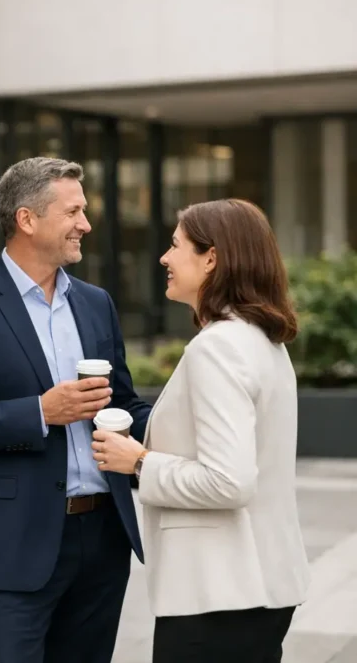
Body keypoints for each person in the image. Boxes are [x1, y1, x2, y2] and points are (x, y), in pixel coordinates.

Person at [0, 156, 152, 663]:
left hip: (103, 537)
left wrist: (188, 414)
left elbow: (125, 403)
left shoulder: (95, 303)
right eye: (73, 212)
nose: (85, 224)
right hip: (10, 546)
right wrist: (40, 412)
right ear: (27, 219)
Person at [90, 199, 311, 663]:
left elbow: (229, 481)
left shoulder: (218, 349)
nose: (164, 259)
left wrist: (139, 462)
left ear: (211, 258)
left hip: (219, 595)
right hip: (257, 586)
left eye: (175, 246)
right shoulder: (261, 339)